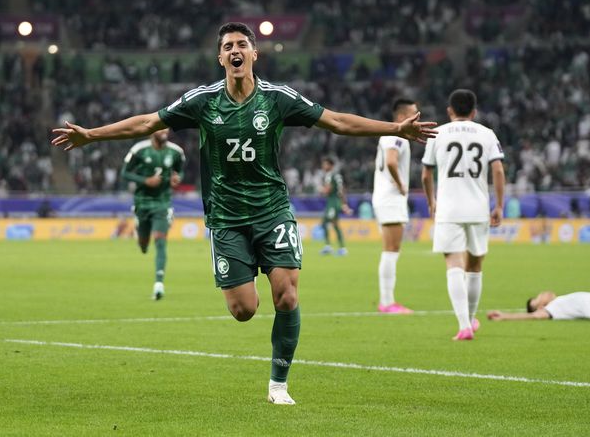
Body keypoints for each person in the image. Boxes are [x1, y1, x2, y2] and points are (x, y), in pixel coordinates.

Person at [51, 22, 437, 406]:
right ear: (220, 58)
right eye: (228, 46)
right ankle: (245, 296)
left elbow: (336, 121)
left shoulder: (278, 98)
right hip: (226, 218)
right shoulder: (203, 101)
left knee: (286, 295)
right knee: (243, 310)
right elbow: (148, 122)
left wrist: (395, 129)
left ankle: (278, 385)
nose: (235, 51)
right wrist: (92, 134)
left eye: (242, 45)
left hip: (272, 210)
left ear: (254, 54)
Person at [421, 89, 505, 341]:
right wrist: (499, 205)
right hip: (478, 207)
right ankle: (470, 318)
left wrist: (431, 201)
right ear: (474, 111)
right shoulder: (487, 133)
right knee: (475, 265)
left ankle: (464, 325)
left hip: (449, 207)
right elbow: (498, 170)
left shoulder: (438, 132)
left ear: (449, 111)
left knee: (453, 264)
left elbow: (426, 174)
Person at [120, 128, 185, 300]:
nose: (165, 131)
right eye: (161, 128)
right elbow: (125, 172)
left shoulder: (176, 152)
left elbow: (180, 171)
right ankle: (140, 231)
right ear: (152, 131)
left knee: (160, 240)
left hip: (163, 203)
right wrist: (145, 181)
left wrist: (176, 178)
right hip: (142, 202)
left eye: (167, 127)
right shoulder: (139, 150)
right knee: (143, 245)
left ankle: (159, 284)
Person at [372, 98, 418, 314]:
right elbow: (391, 161)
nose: (418, 118)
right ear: (401, 117)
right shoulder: (397, 135)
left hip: (384, 197)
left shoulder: (388, 135)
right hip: (390, 197)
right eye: (414, 114)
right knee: (391, 250)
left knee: (390, 249)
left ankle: (387, 300)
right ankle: (388, 302)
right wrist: (401, 185)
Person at [319, 156, 352, 256]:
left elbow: (327, 190)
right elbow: (342, 190)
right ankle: (339, 247)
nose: (323, 166)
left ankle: (332, 247)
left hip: (332, 202)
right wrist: (344, 204)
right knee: (334, 224)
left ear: (330, 165)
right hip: (336, 202)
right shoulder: (337, 175)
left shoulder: (330, 175)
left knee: (325, 223)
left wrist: (321, 189)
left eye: (325, 164)